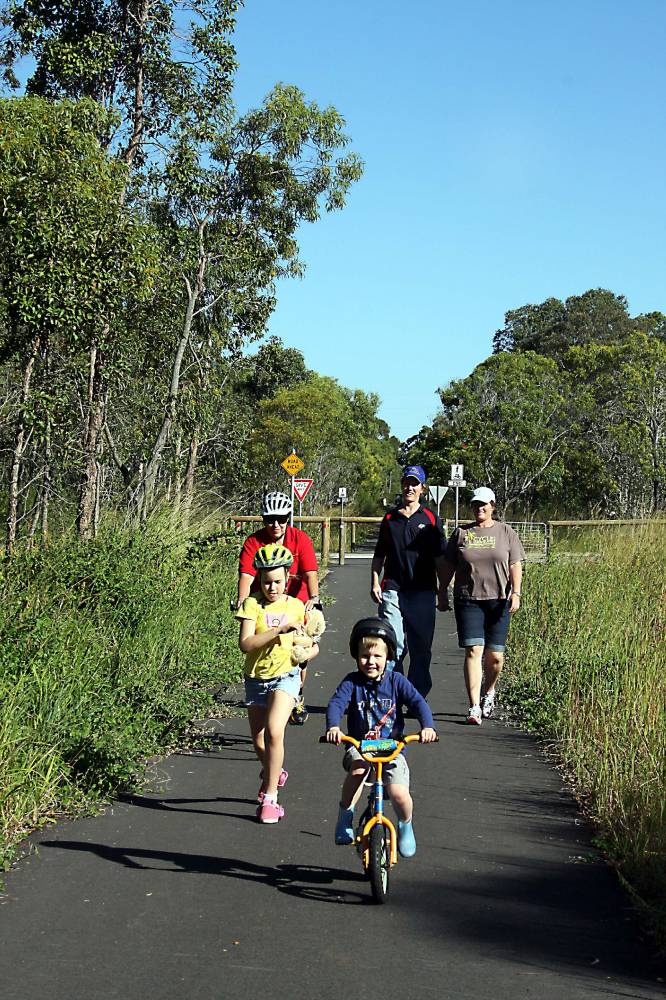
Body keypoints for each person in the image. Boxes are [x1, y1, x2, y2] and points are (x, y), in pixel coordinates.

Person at [325, 618, 437, 858]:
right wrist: (333, 727)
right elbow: (336, 704)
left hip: (392, 748)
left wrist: (427, 726)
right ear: (356, 656)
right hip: (361, 747)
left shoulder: (396, 681)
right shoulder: (352, 682)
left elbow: (418, 702)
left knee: (398, 794)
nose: (371, 662)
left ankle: (405, 825)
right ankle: (345, 816)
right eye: (365, 656)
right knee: (358, 769)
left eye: (377, 656)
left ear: (388, 657)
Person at [236, 543, 319, 823]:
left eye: (278, 582)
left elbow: (310, 643)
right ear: (259, 580)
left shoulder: (296, 607)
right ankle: (274, 771)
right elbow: (246, 644)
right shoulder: (252, 604)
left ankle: (270, 799)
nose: (272, 588)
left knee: (274, 732)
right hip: (256, 678)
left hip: (286, 675)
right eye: (267, 582)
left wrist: (309, 651)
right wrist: (277, 631)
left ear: (288, 579)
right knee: (259, 741)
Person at [439, 486, 525, 725]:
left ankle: (489, 691)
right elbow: (449, 565)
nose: (480, 508)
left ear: (493, 506)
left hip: (499, 600)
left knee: (495, 656)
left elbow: (514, 564)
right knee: (473, 651)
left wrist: (516, 592)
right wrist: (442, 591)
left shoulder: (506, 532)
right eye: (476, 504)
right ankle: (474, 706)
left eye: (484, 504)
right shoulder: (461, 533)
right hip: (468, 599)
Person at [236, 490, 320, 724]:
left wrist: (314, 598)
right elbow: (246, 575)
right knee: (265, 642)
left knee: (299, 650)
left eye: (281, 519)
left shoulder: (300, 539)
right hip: (264, 600)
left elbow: (310, 573)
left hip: (296, 600)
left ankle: (295, 691)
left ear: (288, 518)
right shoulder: (254, 541)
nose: (275, 524)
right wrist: (243, 600)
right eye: (269, 519)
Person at [370, 465, 446, 699]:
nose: (409, 487)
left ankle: (416, 695)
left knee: (420, 647)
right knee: (394, 644)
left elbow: (440, 559)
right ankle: (392, 692)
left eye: (415, 483)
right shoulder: (390, 518)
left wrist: (443, 590)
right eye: (406, 483)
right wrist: (374, 581)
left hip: (422, 590)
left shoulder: (431, 519)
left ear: (423, 488)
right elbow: (379, 554)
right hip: (393, 588)